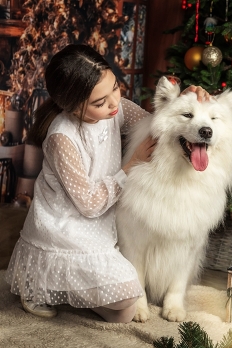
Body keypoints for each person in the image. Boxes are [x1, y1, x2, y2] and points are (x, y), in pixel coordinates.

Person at [5, 44, 210, 323]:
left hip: (102, 227)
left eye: (115, 87)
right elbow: (89, 205)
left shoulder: (118, 109)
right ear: (72, 106)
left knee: (124, 308)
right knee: (126, 307)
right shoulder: (62, 138)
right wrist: (131, 164)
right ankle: (43, 285)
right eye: (99, 103)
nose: (114, 103)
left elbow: (158, 124)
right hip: (67, 229)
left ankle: (74, 290)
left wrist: (185, 101)